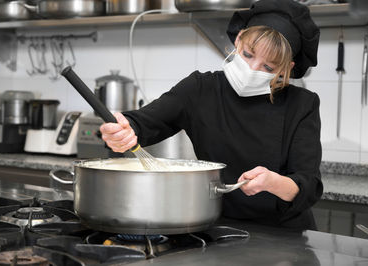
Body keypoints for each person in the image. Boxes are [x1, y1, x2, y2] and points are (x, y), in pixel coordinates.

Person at [100, 0, 323, 230]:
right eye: (248, 54)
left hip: (285, 235)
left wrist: (274, 182)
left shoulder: (302, 105)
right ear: (238, 39)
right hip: (219, 228)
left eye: (268, 67)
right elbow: (143, 122)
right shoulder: (200, 89)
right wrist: (123, 129)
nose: (253, 69)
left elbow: (308, 184)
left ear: (287, 68)